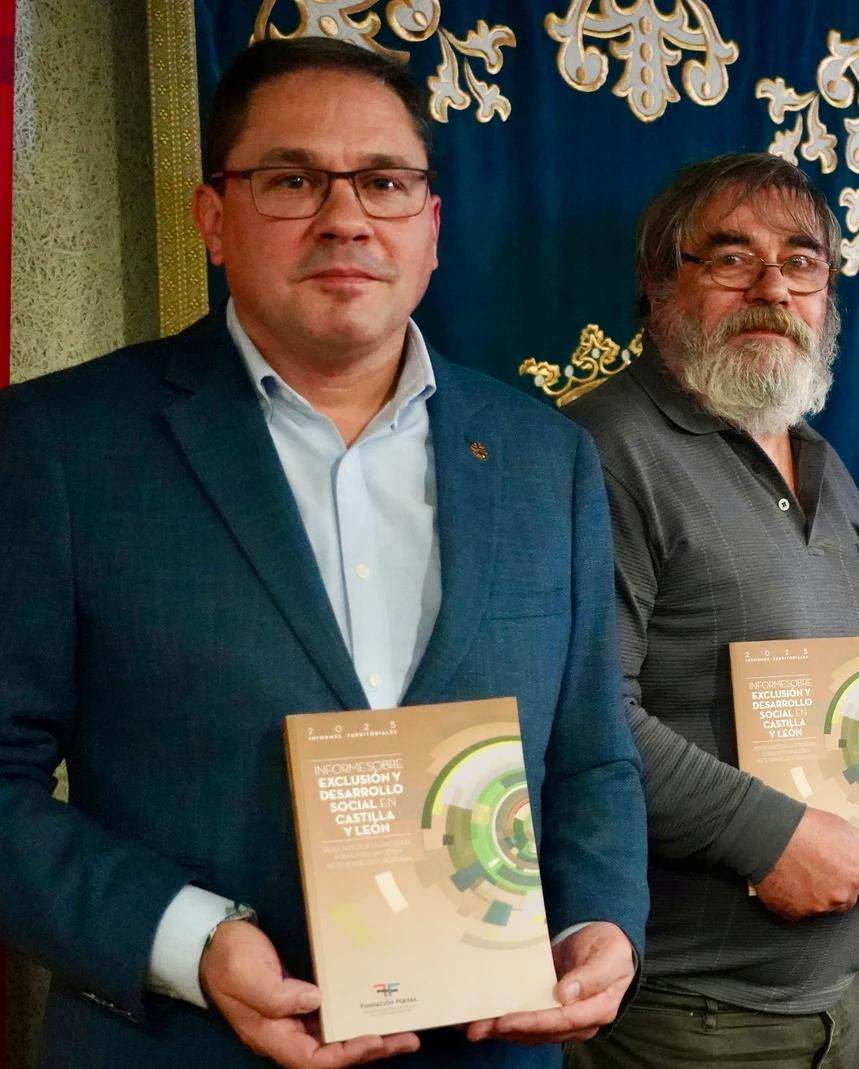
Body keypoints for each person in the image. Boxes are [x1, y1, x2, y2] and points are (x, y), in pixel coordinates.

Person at [0, 39, 648, 1069]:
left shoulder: (546, 456)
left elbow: (590, 754)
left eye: (385, 183)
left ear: (431, 227)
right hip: (188, 1044)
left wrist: (602, 917)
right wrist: (190, 941)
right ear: (214, 218)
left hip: (487, 1047)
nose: (346, 218)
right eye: (294, 180)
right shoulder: (59, 446)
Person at [562, 152, 859, 1069]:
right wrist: (769, 837)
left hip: (837, 1005)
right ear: (657, 285)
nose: (773, 288)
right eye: (732, 259)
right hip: (692, 1019)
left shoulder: (826, 461)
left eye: (801, 262)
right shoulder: (604, 451)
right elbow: (583, 713)